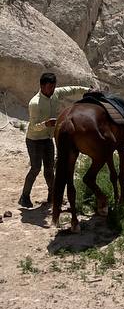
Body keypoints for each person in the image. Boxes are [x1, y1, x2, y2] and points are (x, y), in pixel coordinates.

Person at [19, 72, 89, 209]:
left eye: (53, 87)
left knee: (49, 169)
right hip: (34, 139)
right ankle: (24, 197)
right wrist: (46, 124)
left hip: (47, 138)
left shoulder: (56, 93)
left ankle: (53, 195)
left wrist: (87, 90)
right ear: (42, 86)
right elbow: (33, 126)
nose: (52, 90)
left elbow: (72, 89)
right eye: (49, 87)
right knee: (35, 168)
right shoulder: (34, 103)